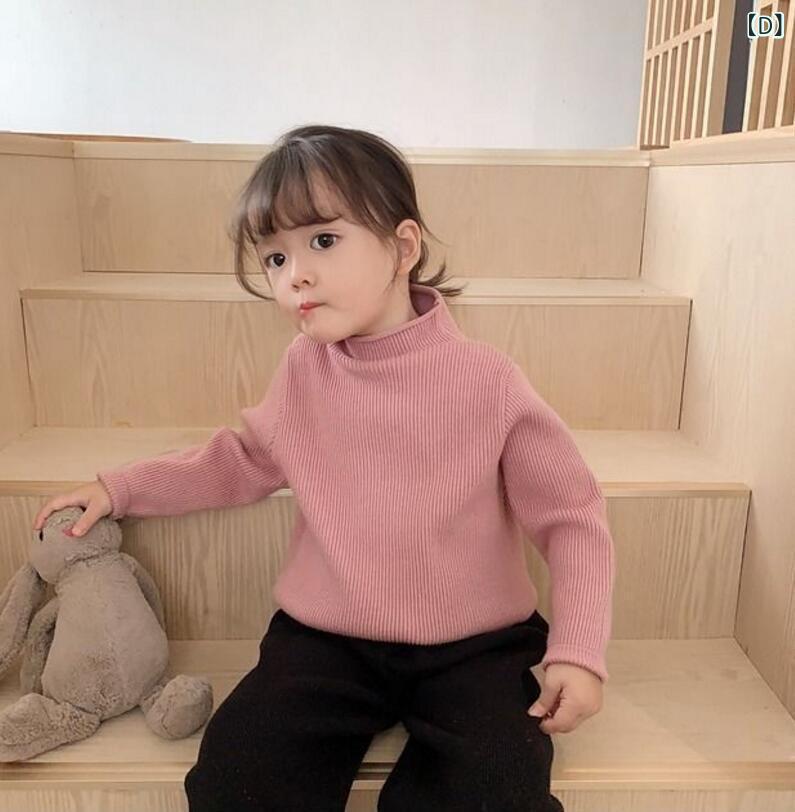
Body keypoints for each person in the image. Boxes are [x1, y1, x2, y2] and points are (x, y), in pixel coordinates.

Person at [32, 123, 615, 811]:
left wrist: (578, 649)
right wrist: (123, 488)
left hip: (476, 646)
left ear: (403, 247)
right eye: (275, 258)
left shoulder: (487, 380)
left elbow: (572, 517)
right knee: (237, 776)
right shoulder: (304, 368)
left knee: (495, 789)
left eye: (323, 241)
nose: (295, 275)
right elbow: (244, 459)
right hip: (327, 640)